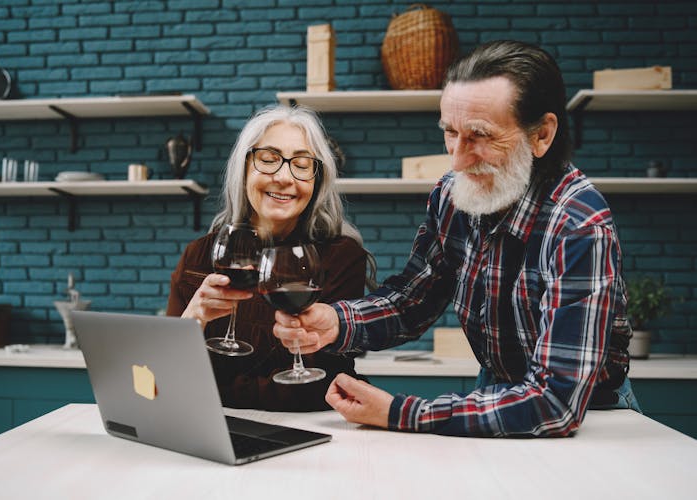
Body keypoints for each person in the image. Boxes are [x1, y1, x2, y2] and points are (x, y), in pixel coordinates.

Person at [273, 40, 639, 436]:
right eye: (450, 132)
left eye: (479, 136)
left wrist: (402, 412)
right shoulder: (452, 195)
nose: (458, 159)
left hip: (592, 418)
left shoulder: (579, 224)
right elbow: (411, 303)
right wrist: (336, 323)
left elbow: (556, 402)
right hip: (494, 396)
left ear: (542, 135)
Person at [167, 104, 376, 412]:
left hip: (308, 433)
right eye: (268, 160)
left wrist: (210, 392)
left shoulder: (340, 257)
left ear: (316, 180)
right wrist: (192, 321)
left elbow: (317, 386)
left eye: (302, 165)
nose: (283, 177)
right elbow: (166, 376)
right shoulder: (199, 255)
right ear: (245, 168)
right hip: (210, 429)